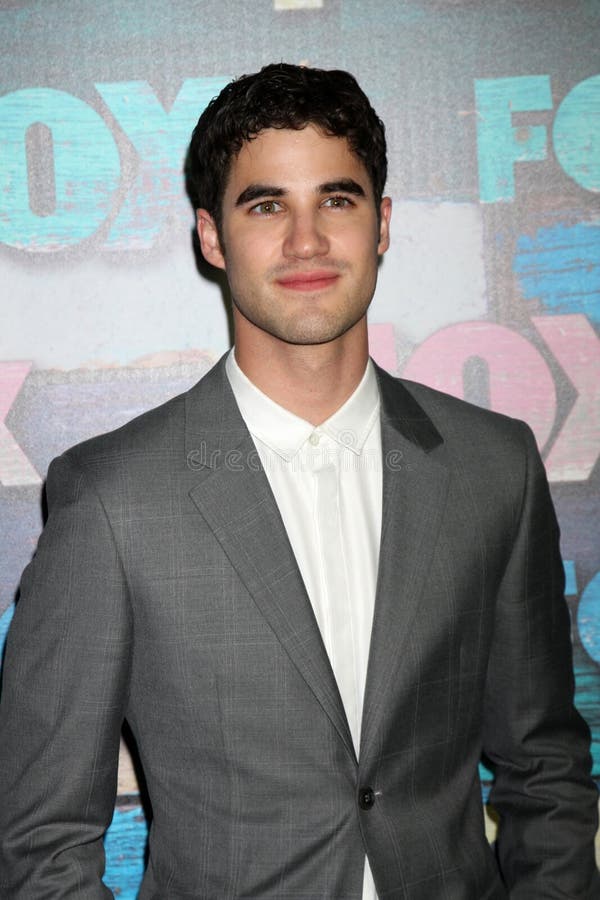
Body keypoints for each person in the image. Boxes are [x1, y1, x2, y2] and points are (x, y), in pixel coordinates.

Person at [0, 63, 597, 900]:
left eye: (338, 200)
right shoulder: (112, 499)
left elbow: (547, 770)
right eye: (267, 204)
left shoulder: (494, 467)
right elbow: (41, 837)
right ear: (211, 236)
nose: (307, 241)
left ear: (382, 223)